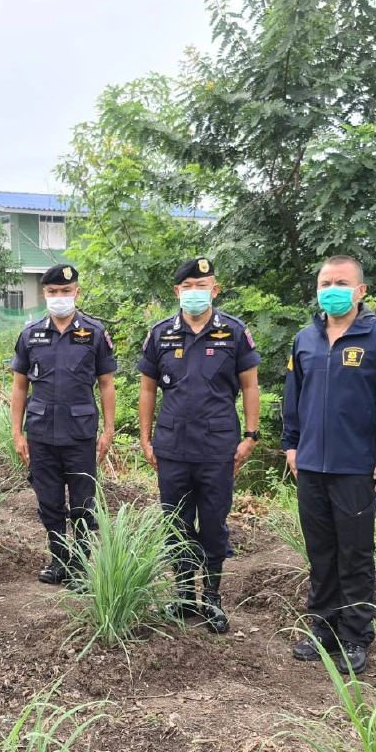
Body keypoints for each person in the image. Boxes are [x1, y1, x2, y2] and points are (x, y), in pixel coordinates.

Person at [283, 255, 376, 675]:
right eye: (325, 282)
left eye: (341, 282)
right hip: (311, 466)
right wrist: (291, 445)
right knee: (320, 551)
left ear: (360, 291)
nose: (331, 289)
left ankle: (356, 635)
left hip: (358, 467)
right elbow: (294, 396)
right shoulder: (305, 338)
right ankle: (322, 628)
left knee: (355, 552)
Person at [137, 257, 261, 634]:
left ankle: (212, 596)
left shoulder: (234, 332)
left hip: (217, 447)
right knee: (175, 523)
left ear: (215, 289)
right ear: (178, 291)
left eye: (203, 284)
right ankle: (182, 594)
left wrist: (251, 436)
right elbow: (147, 389)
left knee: (212, 523)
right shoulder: (160, 334)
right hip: (172, 447)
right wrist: (145, 438)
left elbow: (251, 386)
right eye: (189, 285)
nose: (196, 291)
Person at [10, 264, 117, 586]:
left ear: (77, 293)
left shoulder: (94, 333)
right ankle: (59, 559)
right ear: (44, 294)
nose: (59, 297)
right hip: (41, 432)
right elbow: (19, 386)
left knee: (83, 501)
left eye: (65, 292)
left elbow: (107, 383)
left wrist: (109, 430)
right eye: (53, 292)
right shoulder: (31, 335)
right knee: (48, 500)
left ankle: (81, 563)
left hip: (80, 433)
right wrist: (17, 432)